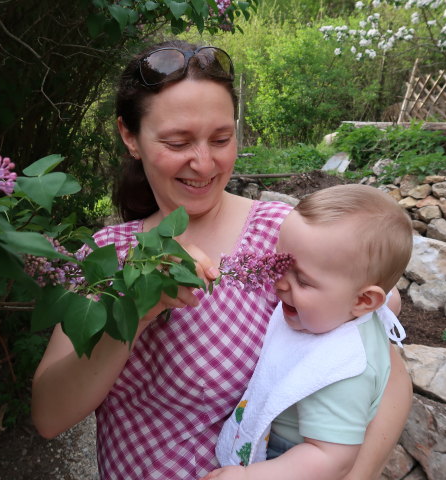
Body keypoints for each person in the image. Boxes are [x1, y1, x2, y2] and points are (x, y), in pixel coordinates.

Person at [31, 39, 413, 480]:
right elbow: (50, 415)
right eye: (177, 142)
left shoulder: (287, 235)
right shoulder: (106, 256)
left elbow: (386, 367)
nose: (203, 163)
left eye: (221, 139)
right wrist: (137, 310)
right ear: (129, 136)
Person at [203, 184, 413, 480]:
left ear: (363, 301)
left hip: (291, 460)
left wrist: (250, 476)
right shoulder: (346, 307)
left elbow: (329, 458)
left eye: (302, 280)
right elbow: (390, 300)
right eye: (281, 264)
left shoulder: (343, 371)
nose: (280, 284)